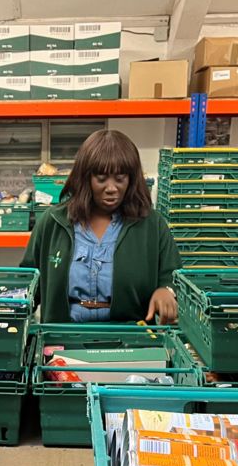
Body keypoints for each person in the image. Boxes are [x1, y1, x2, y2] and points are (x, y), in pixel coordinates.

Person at [22, 129, 182, 325]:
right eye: (101, 178)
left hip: (132, 341)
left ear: (131, 179)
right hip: (62, 339)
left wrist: (166, 291)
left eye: (120, 178)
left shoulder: (152, 225)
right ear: (85, 177)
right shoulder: (53, 222)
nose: (111, 188)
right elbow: (28, 284)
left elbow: (173, 277)